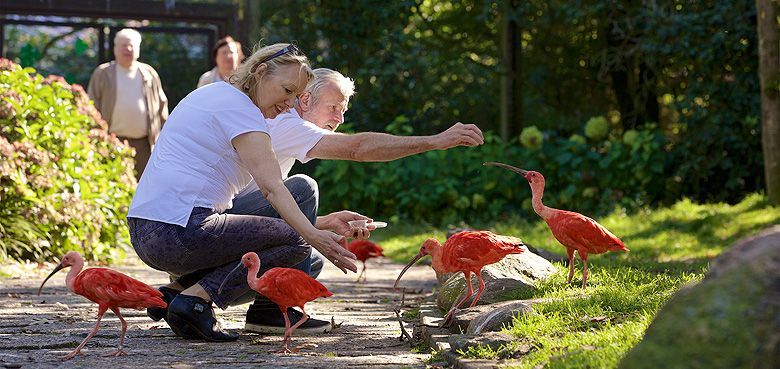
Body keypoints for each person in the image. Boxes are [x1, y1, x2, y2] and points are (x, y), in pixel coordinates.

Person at [127, 43, 362, 342]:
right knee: (297, 242)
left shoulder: (212, 94)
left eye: (294, 95)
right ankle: (195, 300)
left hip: (145, 230)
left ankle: (180, 291)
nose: (290, 104)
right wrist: (312, 236)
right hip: (178, 233)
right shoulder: (241, 109)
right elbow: (272, 188)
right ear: (261, 72)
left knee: (301, 246)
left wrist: (321, 225)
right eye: (287, 90)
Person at [223, 67, 485, 334]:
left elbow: (270, 208)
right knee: (304, 187)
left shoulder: (286, 126)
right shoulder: (288, 124)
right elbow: (357, 148)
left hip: (231, 224)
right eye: (333, 107)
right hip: (220, 227)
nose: (338, 119)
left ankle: (204, 290)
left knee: (312, 261)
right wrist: (434, 141)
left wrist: (325, 222)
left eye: (343, 111)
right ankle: (269, 312)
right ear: (304, 101)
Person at [87, 28, 168, 180]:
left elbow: (162, 108)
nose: (128, 49)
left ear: (138, 49)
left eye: (132, 45)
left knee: (143, 188)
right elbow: (91, 105)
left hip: (145, 144)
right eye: (123, 45)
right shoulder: (103, 73)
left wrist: (164, 137)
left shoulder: (149, 74)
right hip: (112, 141)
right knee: (113, 184)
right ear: (115, 48)